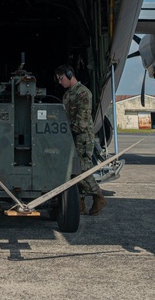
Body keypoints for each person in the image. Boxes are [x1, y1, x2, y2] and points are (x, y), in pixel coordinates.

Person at [55, 65, 105, 215]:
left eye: (61, 78)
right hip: (71, 136)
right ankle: (80, 203)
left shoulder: (83, 93)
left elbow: (82, 121)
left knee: (82, 170)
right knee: (72, 171)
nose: (59, 82)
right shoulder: (67, 95)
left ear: (70, 74)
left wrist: (69, 133)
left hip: (81, 137)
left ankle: (98, 196)